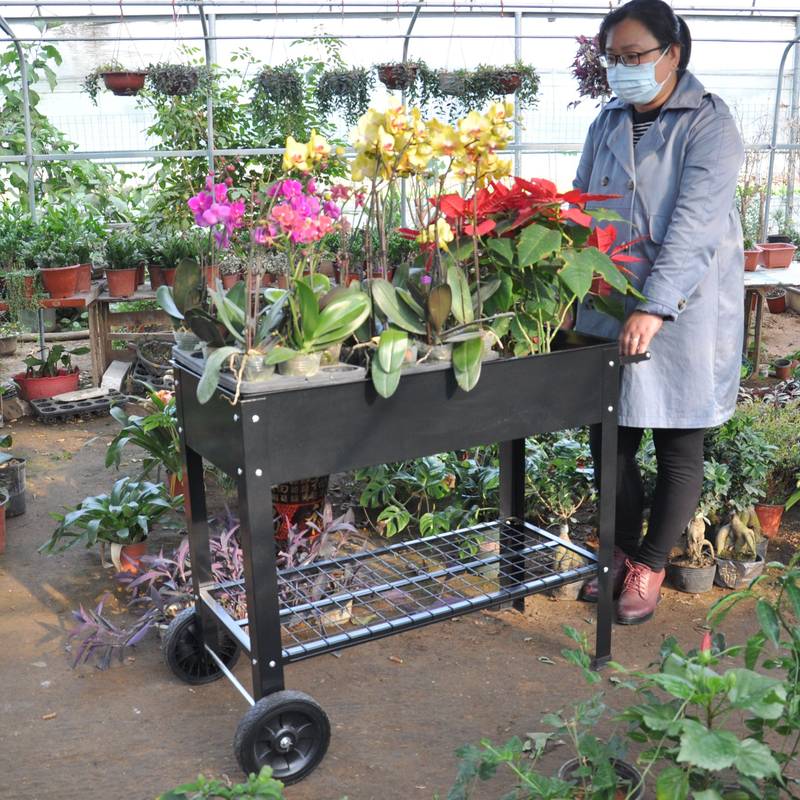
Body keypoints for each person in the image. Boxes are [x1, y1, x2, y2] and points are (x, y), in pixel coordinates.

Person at [573, 0, 744, 624]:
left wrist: (654, 306)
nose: (622, 70)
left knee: (677, 440)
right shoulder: (608, 121)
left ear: (673, 52)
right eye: (613, 59)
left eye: (635, 56)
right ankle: (617, 553)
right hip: (611, 298)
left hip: (682, 306)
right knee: (610, 436)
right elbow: (583, 204)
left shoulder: (709, 123)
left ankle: (650, 563)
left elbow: (696, 226)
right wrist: (571, 285)